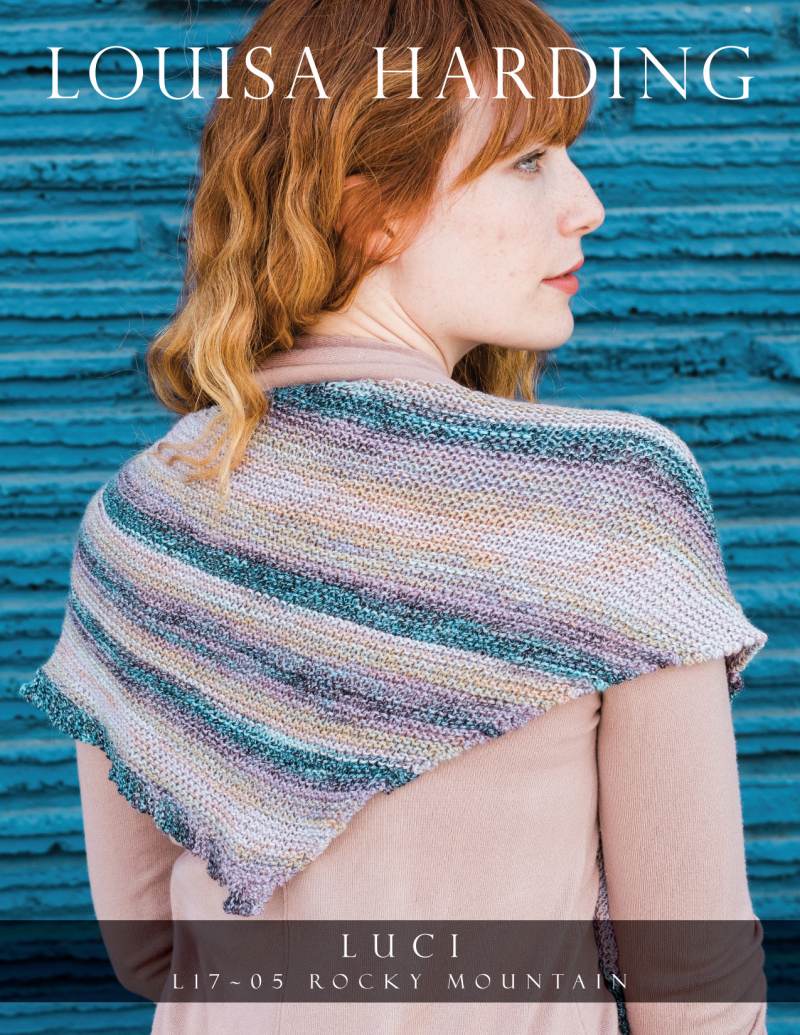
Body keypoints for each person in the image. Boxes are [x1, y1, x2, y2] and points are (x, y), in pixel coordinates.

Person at [19, 1, 768, 1032]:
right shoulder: (609, 499)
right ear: (370, 210)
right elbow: (693, 993)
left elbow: (150, 945)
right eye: (526, 161)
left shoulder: (139, 519)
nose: (586, 205)